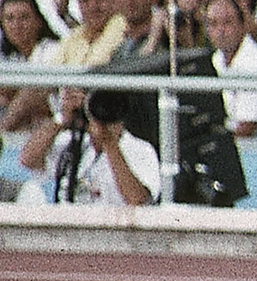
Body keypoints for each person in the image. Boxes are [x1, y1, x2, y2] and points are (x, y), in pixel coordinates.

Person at [18, 86, 159, 205]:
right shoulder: (72, 142)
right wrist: (62, 119)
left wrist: (109, 144)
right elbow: (28, 159)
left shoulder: (140, 149)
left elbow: (139, 202)